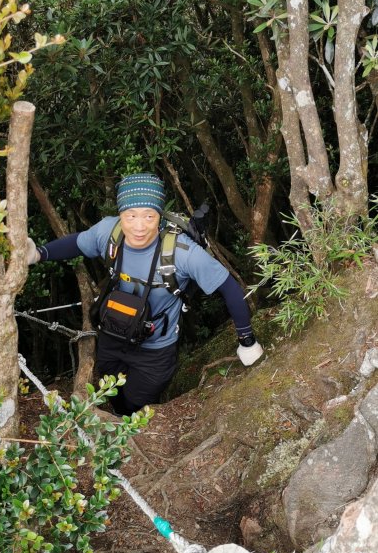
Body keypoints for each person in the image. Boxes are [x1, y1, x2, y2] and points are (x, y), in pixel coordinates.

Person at [27, 172, 263, 415]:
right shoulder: (109, 232)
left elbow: (229, 287)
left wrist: (247, 340)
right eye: (131, 216)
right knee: (110, 392)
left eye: (149, 216)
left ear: (159, 217)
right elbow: (77, 243)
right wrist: (40, 253)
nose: (139, 227)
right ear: (120, 215)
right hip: (113, 332)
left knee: (135, 403)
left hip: (156, 349)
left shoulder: (182, 253)